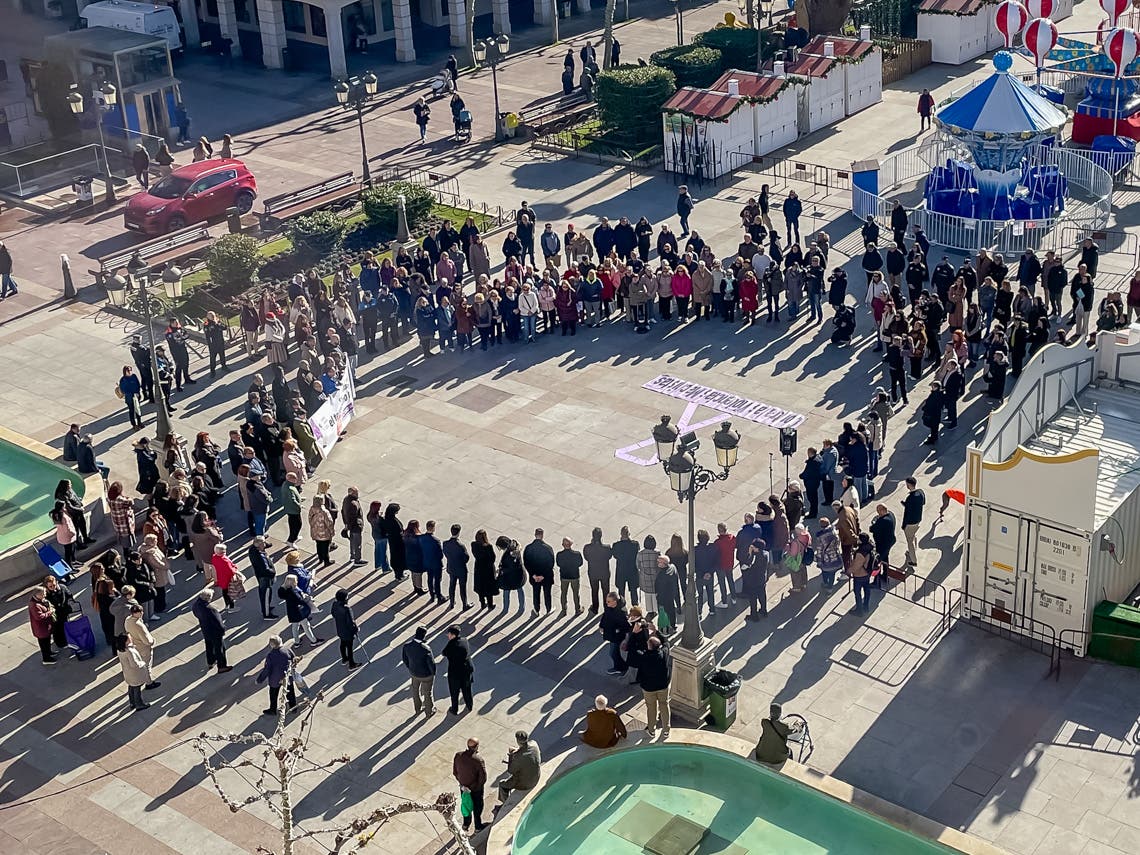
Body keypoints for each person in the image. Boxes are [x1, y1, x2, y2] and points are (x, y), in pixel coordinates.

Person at [633, 635, 672, 738]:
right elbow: (666, 643)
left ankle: (651, 729)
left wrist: (634, 633)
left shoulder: (643, 657)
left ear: (649, 646)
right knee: (664, 705)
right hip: (663, 686)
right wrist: (657, 631)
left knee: (651, 707)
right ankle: (666, 730)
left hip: (648, 687)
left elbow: (632, 648)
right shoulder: (664, 653)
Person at [496, 730, 542, 807]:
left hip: (525, 784)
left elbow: (510, 771)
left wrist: (511, 755)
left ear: (517, 741)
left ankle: (505, 804)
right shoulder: (534, 744)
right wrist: (518, 750)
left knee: (502, 784)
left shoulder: (518, 757)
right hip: (536, 776)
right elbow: (527, 751)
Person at [191, 587, 232, 674]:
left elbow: (195, 613)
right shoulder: (211, 609)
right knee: (219, 648)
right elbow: (218, 622)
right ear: (208, 598)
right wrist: (223, 629)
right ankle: (222, 666)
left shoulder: (196, 605)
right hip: (215, 631)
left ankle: (211, 662)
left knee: (209, 645)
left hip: (205, 629)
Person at [454, 737, 488, 833]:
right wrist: (476, 787)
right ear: (476, 747)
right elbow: (483, 777)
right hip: (475, 789)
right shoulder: (478, 760)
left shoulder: (458, 755)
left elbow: (455, 772)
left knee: (466, 805)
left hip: (464, 788)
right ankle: (478, 826)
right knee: (477, 807)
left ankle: (465, 825)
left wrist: (462, 784)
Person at [401, 626, 436, 716]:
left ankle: (417, 708)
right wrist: (433, 673)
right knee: (427, 693)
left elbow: (405, 659)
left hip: (414, 673)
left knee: (415, 691)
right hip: (426, 675)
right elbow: (431, 664)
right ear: (424, 635)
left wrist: (410, 668)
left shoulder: (407, 645)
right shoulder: (426, 649)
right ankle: (429, 712)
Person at [125, 602, 160, 689]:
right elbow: (147, 640)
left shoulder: (128, 620)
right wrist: (152, 641)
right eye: (141, 612)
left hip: (135, 646)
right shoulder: (138, 625)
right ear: (137, 613)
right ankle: (149, 682)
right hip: (144, 648)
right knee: (147, 665)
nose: (142, 613)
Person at [442, 624, 475, 714]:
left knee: (454, 692)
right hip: (467, 669)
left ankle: (454, 709)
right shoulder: (465, 640)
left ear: (453, 635)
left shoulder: (452, 644)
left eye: (448, 634)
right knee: (467, 690)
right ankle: (469, 705)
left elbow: (444, 653)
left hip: (456, 673)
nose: (448, 636)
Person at [523, 528, 555, 615]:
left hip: (534, 577)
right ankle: (548, 609)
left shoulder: (528, 548)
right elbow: (551, 563)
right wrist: (543, 575)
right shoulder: (548, 548)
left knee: (536, 593)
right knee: (547, 593)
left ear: (535, 534)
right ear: (542, 535)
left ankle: (536, 610)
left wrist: (533, 575)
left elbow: (526, 563)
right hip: (546, 577)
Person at [118, 634, 151, 711]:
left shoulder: (120, 650)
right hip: (135, 673)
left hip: (128, 673)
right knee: (137, 688)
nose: (131, 638)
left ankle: (132, 702)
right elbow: (134, 664)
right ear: (126, 641)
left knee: (131, 687)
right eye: (129, 638)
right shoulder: (129, 652)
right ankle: (139, 704)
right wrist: (142, 663)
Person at [599, 592, 630, 675]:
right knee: (614, 653)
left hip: (617, 637)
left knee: (613, 653)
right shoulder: (609, 608)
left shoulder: (621, 614)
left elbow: (626, 627)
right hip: (611, 634)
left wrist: (626, 640)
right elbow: (605, 616)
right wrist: (601, 626)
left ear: (615, 602)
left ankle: (620, 667)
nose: (606, 603)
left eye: (609, 601)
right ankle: (622, 666)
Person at [331, 589, 361, 669]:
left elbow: (333, 614)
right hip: (348, 632)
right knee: (350, 648)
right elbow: (350, 623)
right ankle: (352, 664)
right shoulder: (347, 609)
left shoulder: (335, 604)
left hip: (340, 628)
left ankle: (344, 658)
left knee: (342, 644)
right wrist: (356, 629)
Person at [443, 523, 471, 609]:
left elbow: (446, 553)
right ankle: (464, 604)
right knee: (462, 587)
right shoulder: (461, 546)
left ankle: (451, 603)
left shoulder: (445, 543)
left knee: (452, 585)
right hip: (461, 569)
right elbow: (466, 558)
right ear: (459, 533)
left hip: (451, 567)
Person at [249, 536, 277, 620]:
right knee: (265, 595)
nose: (265, 544)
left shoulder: (253, 548)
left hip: (261, 576)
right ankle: (267, 614)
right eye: (264, 543)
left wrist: (265, 542)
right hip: (265, 578)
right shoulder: (259, 556)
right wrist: (273, 573)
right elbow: (266, 570)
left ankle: (267, 607)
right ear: (260, 545)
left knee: (267, 594)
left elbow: (264, 544)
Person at [741, 538, 770, 621]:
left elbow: (748, 564)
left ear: (757, 548)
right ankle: (764, 610)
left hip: (753, 581)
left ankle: (754, 615)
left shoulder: (756, 557)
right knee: (762, 595)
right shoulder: (765, 554)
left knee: (753, 598)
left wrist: (750, 553)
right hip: (761, 579)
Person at [612, 526, 640, 607]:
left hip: (621, 571)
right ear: (629, 534)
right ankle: (635, 606)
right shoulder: (634, 544)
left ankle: (621, 606)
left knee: (621, 590)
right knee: (633, 591)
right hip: (632, 571)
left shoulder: (616, 545)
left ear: (621, 534)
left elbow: (615, 555)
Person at [869, 504, 896, 587]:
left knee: (877, 561)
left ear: (882, 510)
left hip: (882, 544)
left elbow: (872, 529)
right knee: (885, 558)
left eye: (879, 512)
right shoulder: (891, 515)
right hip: (888, 542)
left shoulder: (883, 521)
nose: (878, 514)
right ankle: (885, 575)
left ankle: (876, 582)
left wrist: (875, 522)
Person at [28, 586, 56, 665]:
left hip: (44, 627)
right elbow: (39, 617)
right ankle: (46, 659)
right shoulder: (34, 605)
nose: (45, 595)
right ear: (38, 594)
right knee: (44, 644)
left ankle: (49, 653)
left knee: (47, 642)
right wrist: (50, 612)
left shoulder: (39, 601)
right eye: (43, 594)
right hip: (41, 629)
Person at [901, 477, 925, 568]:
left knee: (909, 541)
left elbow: (907, 512)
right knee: (913, 535)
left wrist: (904, 525)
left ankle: (913, 561)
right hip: (918, 519)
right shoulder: (921, 492)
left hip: (910, 523)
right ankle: (913, 550)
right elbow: (923, 503)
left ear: (909, 485)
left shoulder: (910, 498)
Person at [556, 537, 584, 616]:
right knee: (576, 593)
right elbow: (580, 563)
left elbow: (558, 564)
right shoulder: (577, 554)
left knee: (563, 593)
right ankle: (577, 609)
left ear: (562, 545)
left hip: (564, 576)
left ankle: (564, 610)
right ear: (571, 544)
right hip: (575, 577)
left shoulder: (559, 554)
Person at [849, 532, 875, 614]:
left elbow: (857, 566)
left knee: (857, 593)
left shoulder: (860, 552)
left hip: (860, 575)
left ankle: (859, 610)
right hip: (867, 573)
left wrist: (848, 571)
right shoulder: (870, 547)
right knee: (867, 590)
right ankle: (866, 606)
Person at [814, 517, 843, 589]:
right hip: (835, 555)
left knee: (825, 571)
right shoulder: (834, 532)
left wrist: (819, 560)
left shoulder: (820, 537)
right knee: (832, 574)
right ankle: (830, 587)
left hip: (826, 558)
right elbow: (838, 543)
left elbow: (819, 549)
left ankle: (825, 583)